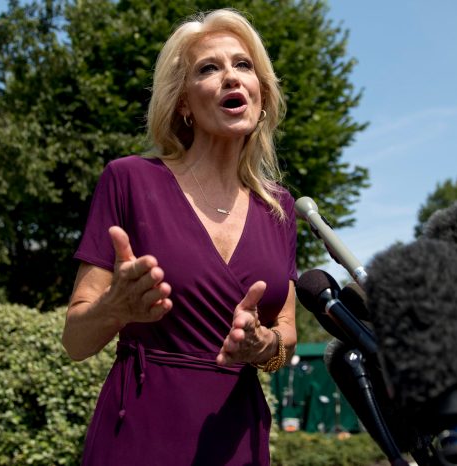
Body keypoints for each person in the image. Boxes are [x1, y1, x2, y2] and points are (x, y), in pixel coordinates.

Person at [62, 8, 298, 465]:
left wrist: (264, 347)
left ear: (261, 93)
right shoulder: (129, 179)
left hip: (238, 439)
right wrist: (116, 308)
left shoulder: (280, 208)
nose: (231, 77)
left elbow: (285, 335)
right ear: (184, 103)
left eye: (243, 65)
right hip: (140, 433)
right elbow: (75, 341)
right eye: (209, 68)